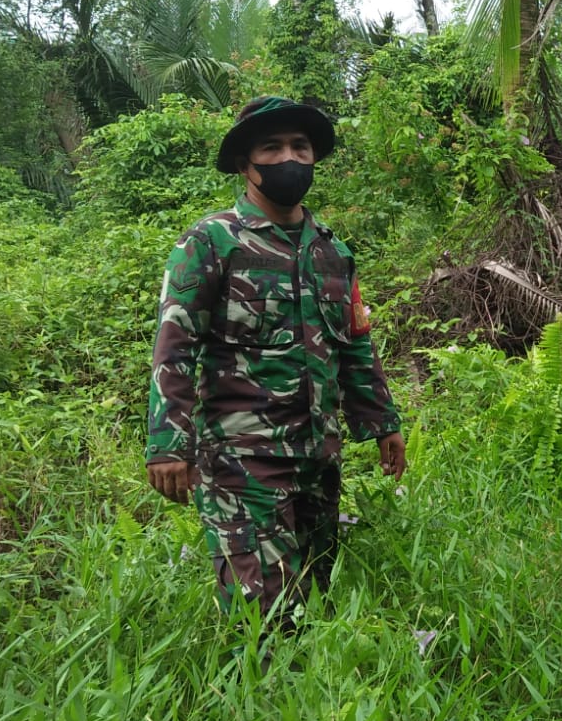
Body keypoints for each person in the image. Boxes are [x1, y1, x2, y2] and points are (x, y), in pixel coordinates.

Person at [146, 95, 406, 626]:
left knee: (317, 597)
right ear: (245, 164)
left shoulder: (333, 251)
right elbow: (176, 346)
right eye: (272, 147)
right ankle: (250, 706)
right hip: (243, 461)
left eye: (300, 146)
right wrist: (167, 445)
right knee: (265, 620)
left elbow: (355, 343)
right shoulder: (212, 242)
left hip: (319, 456)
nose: (289, 157)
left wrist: (382, 422)